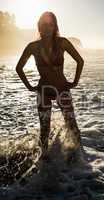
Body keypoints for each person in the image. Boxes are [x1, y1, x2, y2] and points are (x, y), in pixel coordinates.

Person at [16, 11, 84, 161]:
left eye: (51, 25)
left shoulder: (63, 42)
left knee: (71, 124)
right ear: (39, 26)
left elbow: (80, 61)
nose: (47, 28)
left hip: (62, 90)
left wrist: (75, 82)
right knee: (44, 130)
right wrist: (29, 86)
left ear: (55, 27)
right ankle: (44, 160)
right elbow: (19, 68)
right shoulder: (32, 47)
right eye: (44, 25)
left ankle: (80, 158)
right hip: (44, 91)